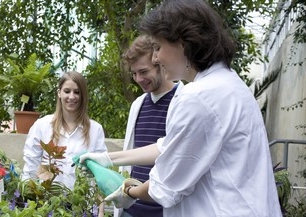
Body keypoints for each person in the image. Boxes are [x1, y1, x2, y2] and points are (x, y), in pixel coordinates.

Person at [79, 0, 282, 216]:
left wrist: (128, 190)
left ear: (184, 42)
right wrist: (109, 158)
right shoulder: (229, 84)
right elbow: (167, 146)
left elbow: (164, 187)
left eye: (158, 47)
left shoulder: (199, 97)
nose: (156, 57)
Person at [22, 71, 108, 214]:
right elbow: (31, 167)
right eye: (67, 91)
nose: (71, 97)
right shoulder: (42, 126)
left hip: (82, 207)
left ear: (83, 95)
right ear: (59, 93)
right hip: (47, 206)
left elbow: (100, 173)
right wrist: (29, 203)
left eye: (77, 92)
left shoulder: (95, 130)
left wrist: (100, 209)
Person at [117, 35, 183, 217]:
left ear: (160, 63)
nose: (138, 79)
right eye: (134, 73)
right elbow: (132, 155)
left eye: (144, 72)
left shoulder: (184, 101)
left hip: (163, 211)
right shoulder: (138, 105)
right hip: (131, 209)